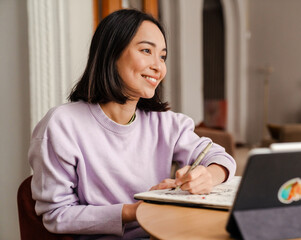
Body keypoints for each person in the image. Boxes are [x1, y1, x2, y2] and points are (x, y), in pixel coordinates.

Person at [28, 9, 236, 239]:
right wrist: (135, 211)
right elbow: (56, 215)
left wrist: (208, 175)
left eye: (163, 56)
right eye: (146, 51)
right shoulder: (62, 124)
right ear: (111, 53)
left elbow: (220, 157)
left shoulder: (166, 124)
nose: (159, 67)